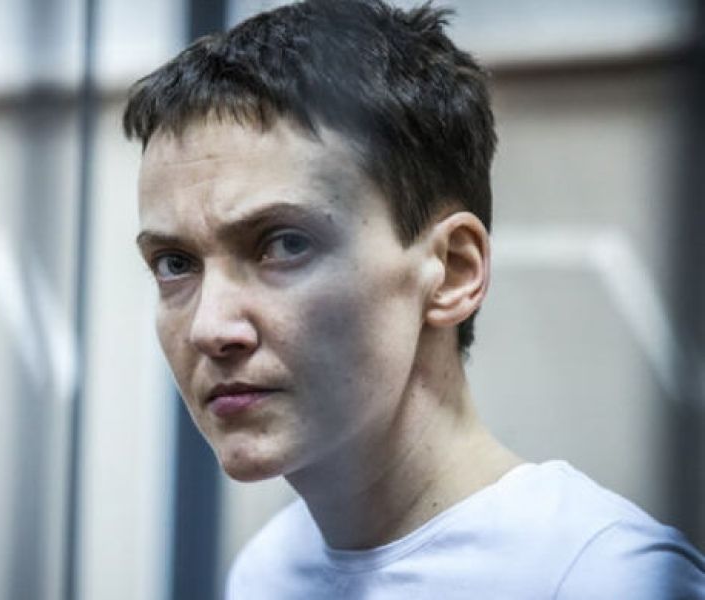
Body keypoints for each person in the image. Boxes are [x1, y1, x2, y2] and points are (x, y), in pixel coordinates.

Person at [123, 0, 705, 597]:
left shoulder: (601, 577)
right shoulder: (267, 571)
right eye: (175, 263)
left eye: (286, 244)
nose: (210, 327)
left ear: (451, 271)